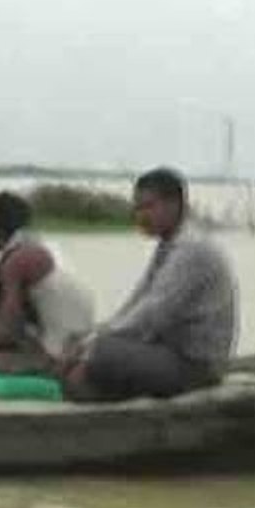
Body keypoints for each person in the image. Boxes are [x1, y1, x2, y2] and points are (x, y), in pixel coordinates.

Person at [59, 167, 238, 402]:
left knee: (100, 352)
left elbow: (152, 315)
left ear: (174, 205)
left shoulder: (192, 249)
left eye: (148, 207)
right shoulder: (169, 245)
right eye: (138, 208)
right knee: (83, 344)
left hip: (197, 366)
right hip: (169, 355)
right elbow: (136, 303)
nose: (140, 216)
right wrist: (91, 335)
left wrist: (92, 346)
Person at [0, 191, 96, 389]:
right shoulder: (46, 248)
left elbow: (7, 331)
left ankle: (48, 380)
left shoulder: (19, 259)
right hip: (77, 348)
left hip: (61, 357)